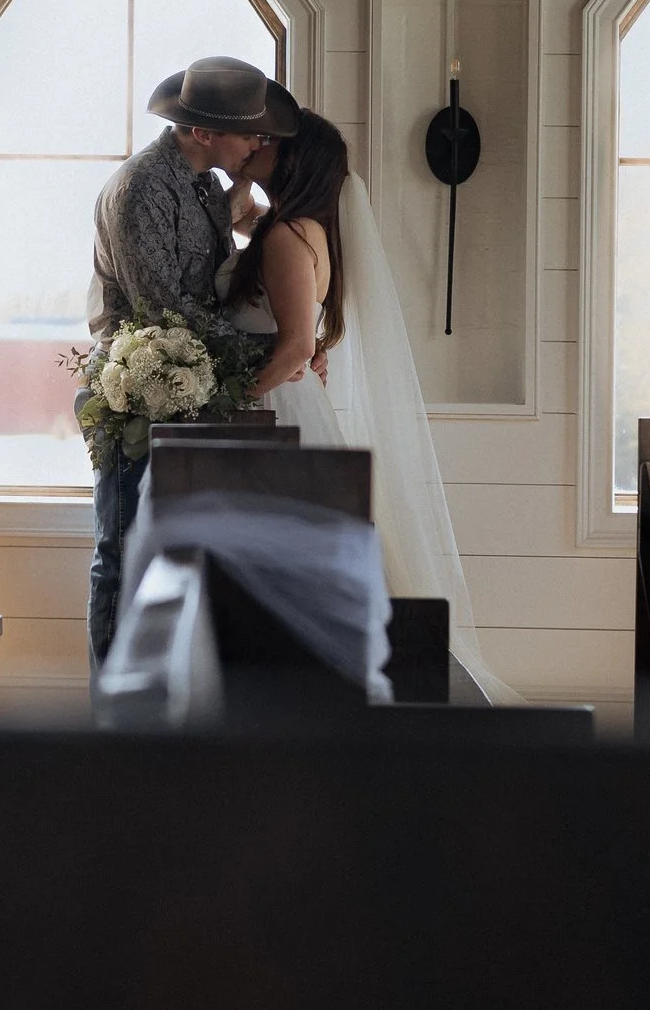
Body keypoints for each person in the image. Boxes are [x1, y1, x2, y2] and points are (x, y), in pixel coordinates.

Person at [218, 109, 517, 702]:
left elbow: (299, 345)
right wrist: (245, 176)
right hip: (298, 403)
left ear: (295, 159)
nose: (260, 144)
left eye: (272, 144)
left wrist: (230, 403)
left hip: (282, 413)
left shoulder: (286, 237)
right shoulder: (303, 228)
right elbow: (236, 220)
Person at [84, 55, 297, 671]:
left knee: (175, 557)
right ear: (203, 132)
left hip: (186, 392)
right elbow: (165, 311)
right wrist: (278, 350)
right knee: (121, 552)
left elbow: (215, 278)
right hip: (134, 396)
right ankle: (109, 728)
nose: (258, 141)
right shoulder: (141, 189)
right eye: (247, 130)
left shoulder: (205, 186)